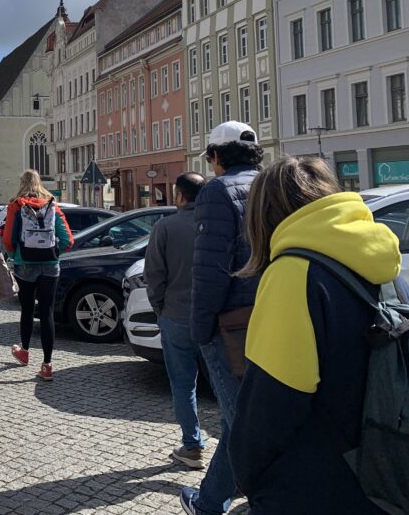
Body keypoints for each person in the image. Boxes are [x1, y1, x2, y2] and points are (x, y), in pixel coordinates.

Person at [230, 157, 400, 514]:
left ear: (264, 214)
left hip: (316, 481)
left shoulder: (293, 273)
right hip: (383, 467)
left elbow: (270, 403)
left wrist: (249, 475)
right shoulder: (381, 259)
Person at [181, 121, 263, 515]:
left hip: (230, 324)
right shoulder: (272, 185)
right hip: (271, 313)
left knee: (242, 422)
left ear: (215, 156)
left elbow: (209, 270)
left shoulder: (216, 191)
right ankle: (211, 501)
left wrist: (201, 329)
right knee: (244, 417)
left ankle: (265, 497)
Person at [143, 172, 206, 470]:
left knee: (183, 384)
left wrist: (160, 309)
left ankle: (192, 446)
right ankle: (235, 450)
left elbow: (153, 275)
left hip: (177, 316)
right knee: (227, 388)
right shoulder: (218, 225)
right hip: (216, 317)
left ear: (179, 195)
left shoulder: (165, 227)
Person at [2, 169, 72, 381]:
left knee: (26, 309)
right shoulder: (52, 204)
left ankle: (24, 351)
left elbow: (7, 239)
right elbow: (68, 239)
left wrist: (17, 255)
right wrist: (54, 253)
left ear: (22, 183)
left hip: (25, 265)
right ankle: (47, 364)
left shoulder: (16, 205)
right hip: (50, 265)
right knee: (47, 312)